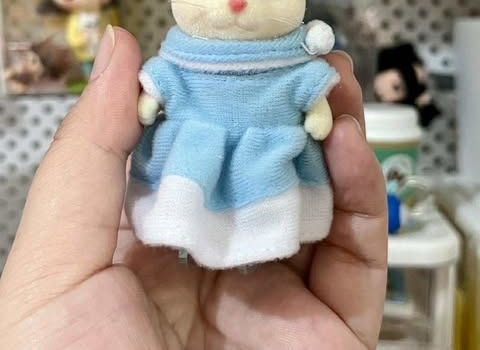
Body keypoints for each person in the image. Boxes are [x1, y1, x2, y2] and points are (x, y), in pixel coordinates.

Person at [0, 27, 387, 349]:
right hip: (195, 156)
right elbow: (165, 83)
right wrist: (150, 100)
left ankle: (252, 246)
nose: (238, 2)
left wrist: (316, 110)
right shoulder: (183, 54)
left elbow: (304, 90)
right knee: (190, 202)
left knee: (267, 203)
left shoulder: (289, 58)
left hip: (266, 155)